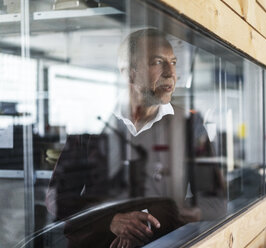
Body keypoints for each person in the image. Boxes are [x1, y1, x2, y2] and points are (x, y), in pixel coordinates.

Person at [46, 28, 225, 248]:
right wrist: (111, 222)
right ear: (129, 72)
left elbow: (214, 202)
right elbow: (57, 198)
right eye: (158, 62)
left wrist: (147, 220)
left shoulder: (190, 125)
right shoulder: (92, 123)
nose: (171, 73)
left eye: (174, 62)